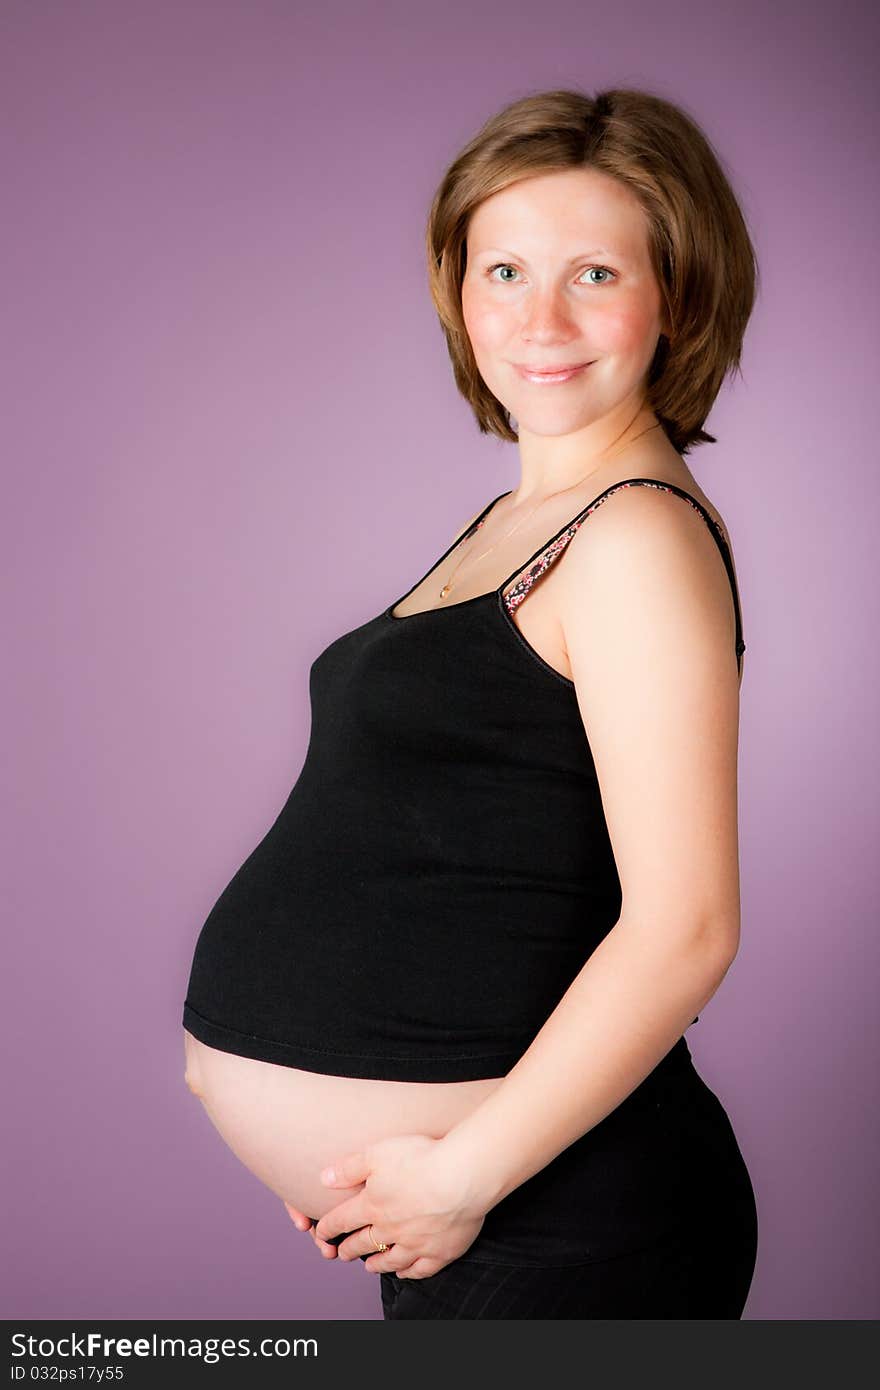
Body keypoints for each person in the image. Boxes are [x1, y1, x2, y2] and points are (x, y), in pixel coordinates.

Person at [183, 85, 759, 1319]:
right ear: (455, 290)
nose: (540, 317)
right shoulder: (521, 523)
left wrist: (459, 1176)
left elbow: (687, 927)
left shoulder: (633, 538)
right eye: (502, 268)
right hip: (470, 1216)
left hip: (561, 1219)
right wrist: (364, 1162)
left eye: (596, 273)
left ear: (680, 296)